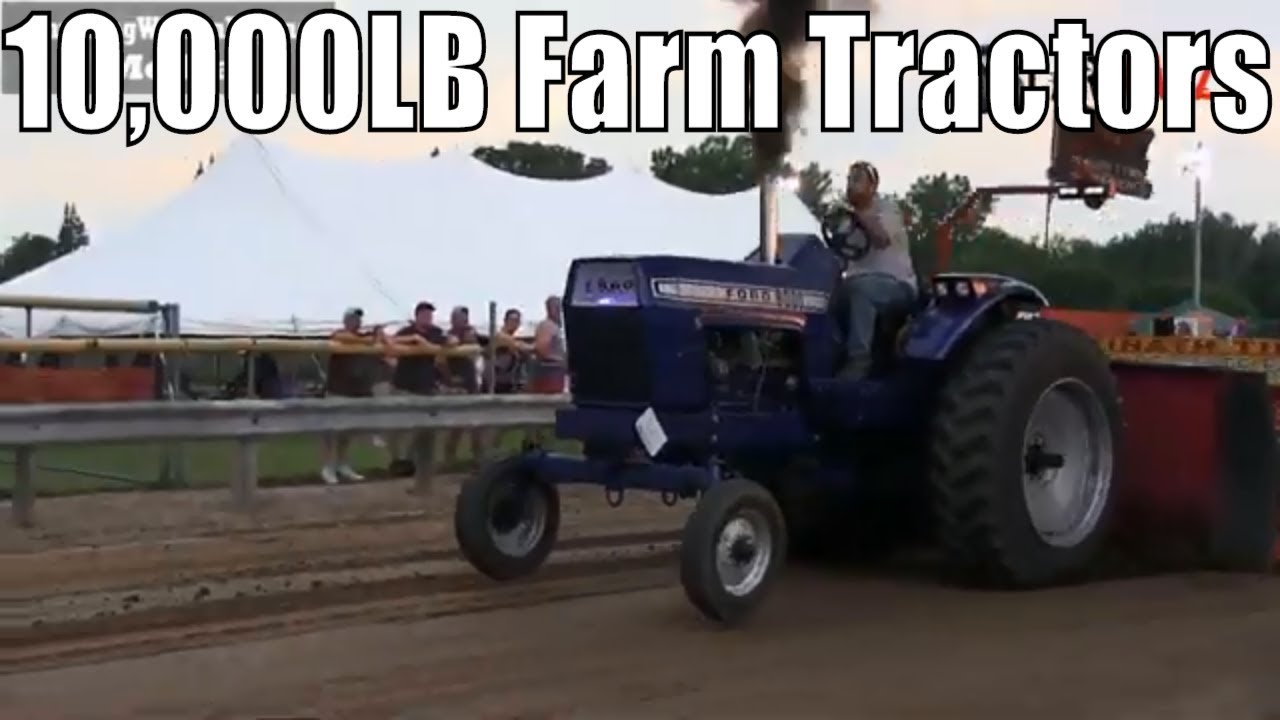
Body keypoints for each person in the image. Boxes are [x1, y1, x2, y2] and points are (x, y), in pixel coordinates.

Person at [827, 161, 918, 379]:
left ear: (872, 186)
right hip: (856, 280)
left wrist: (859, 215)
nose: (850, 185)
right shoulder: (846, 221)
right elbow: (839, 254)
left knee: (862, 290)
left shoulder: (888, 209)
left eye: (857, 180)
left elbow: (881, 239)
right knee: (822, 297)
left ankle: (859, 359)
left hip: (897, 285)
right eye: (849, 180)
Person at [322, 307, 383, 484]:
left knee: (348, 433)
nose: (357, 322)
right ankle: (328, 467)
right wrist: (372, 337)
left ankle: (342, 464)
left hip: (354, 393)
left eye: (358, 319)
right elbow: (344, 338)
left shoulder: (363, 340)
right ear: (346, 321)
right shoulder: (340, 335)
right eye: (353, 319)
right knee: (332, 432)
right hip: (336, 391)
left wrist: (375, 336)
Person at [386, 301, 448, 474]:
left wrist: (420, 341)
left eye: (430, 315)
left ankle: (409, 460)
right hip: (402, 385)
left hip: (425, 387)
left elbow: (446, 344)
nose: (428, 317)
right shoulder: (406, 332)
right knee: (395, 427)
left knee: (421, 428)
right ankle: (396, 460)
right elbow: (389, 345)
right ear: (417, 316)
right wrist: (413, 339)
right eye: (424, 314)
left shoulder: (435, 332)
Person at [442, 306, 483, 463]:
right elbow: (441, 361)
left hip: (471, 383)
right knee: (457, 424)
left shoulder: (471, 334)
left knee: (476, 424)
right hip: (458, 385)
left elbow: (478, 348)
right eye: (459, 318)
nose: (463, 321)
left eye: (464, 318)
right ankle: (449, 457)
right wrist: (450, 378)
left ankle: (478, 457)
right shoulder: (449, 336)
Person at [528, 295, 566, 394]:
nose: (560, 312)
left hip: (555, 372)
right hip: (549, 373)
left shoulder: (554, 327)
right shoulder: (547, 325)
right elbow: (541, 349)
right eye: (557, 308)